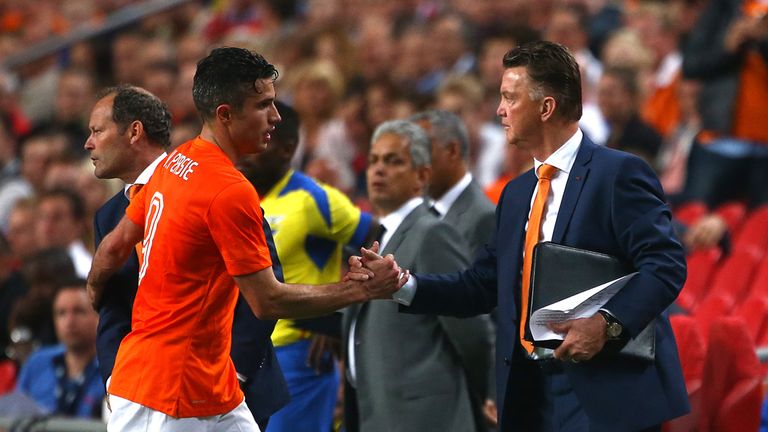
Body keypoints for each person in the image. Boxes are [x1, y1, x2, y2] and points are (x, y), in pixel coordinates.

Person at [352, 41, 689, 431]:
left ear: (546, 108)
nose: (499, 110)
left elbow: (665, 265)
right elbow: (483, 284)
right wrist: (402, 283)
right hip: (532, 394)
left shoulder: (618, 174)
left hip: (606, 391)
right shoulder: (516, 194)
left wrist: (606, 324)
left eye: (509, 98)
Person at [86, 47, 402, 431]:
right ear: (226, 115)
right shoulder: (229, 191)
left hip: (208, 383)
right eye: (263, 105)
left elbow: (115, 246)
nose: (276, 117)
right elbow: (267, 300)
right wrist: (359, 290)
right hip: (169, 394)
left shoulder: (176, 162)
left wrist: (94, 287)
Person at [84, 85, 289, 428]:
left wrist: (234, 371)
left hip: (229, 385)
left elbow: (264, 282)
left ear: (134, 131)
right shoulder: (108, 217)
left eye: (97, 131)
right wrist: (114, 380)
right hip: (145, 388)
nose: (89, 143)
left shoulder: (207, 180)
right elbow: (114, 306)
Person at [343, 119, 493, 432]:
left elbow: (471, 330)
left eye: (393, 160)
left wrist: (486, 392)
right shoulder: (376, 237)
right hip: (376, 410)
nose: (378, 170)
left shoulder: (432, 232)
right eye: (373, 161)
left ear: (421, 176)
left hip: (426, 417)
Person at [238, 101, 379, 432]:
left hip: (298, 353)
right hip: (247, 349)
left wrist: (337, 322)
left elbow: (377, 236)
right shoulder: (237, 198)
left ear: (287, 149)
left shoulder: (313, 197)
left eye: (262, 138)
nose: (248, 148)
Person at [15, 279, 103, 418]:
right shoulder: (37, 362)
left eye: (78, 311)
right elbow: (13, 414)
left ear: (99, 317)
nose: (69, 321)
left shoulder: (114, 367)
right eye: (61, 313)